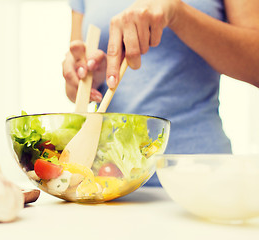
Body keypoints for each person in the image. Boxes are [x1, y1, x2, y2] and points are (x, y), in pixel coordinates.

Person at [62, 0, 259, 186]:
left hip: (201, 179)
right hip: (106, 182)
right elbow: (74, 87)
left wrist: (177, 12)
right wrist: (88, 76)